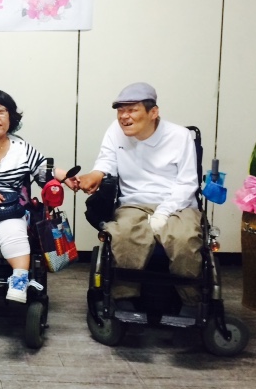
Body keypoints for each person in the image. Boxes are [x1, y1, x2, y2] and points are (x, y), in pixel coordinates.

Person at [76, 82, 202, 309]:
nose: (124, 116)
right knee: (124, 234)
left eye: (132, 110)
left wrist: (163, 212)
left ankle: (191, 300)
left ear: (153, 112)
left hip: (178, 204)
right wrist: (95, 174)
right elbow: (106, 160)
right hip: (133, 203)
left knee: (184, 239)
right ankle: (124, 297)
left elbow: (187, 183)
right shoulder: (115, 131)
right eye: (120, 110)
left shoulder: (179, 136)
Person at [0, 88, 77, 304]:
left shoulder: (22, 147)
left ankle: (19, 280)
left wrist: (66, 178)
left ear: (10, 116)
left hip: (8, 210)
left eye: (0, 111)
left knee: (17, 236)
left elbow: (44, 168)